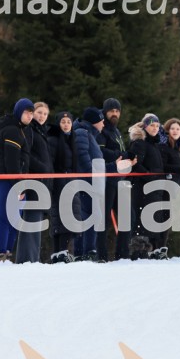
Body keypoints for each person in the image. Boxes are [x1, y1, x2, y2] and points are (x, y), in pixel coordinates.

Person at [73, 106, 135, 261]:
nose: (103, 124)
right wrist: (109, 167)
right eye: (101, 121)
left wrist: (114, 166)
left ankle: (88, 252)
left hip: (94, 182)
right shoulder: (82, 133)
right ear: (94, 122)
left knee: (93, 216)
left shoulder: (90, 135)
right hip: (86, 183)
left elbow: (97, 164)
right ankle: (85, 253)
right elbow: (84, 161)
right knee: (91, 217)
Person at [0, 98, 34, 263]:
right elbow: (11, 161)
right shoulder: (12, 131)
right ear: (18, 112)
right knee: (4, 216)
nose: (29, 116)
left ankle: (6, 255)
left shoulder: (20, 130)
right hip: (6, 180)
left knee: (14, 218)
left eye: (31, 113)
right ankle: (0, 255)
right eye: (26, 113)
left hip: (12, 179)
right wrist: (18, 186)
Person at [16, 102, 54, 263]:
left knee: (36, 222)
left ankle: (32, 259)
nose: (42, 116)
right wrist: (43, 168)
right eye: (39, 112)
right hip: (33, 181)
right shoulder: (30, 130)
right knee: (31, 220)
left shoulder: (42, 132)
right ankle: (27, 260)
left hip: (43, 182)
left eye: (45, 114)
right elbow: (26, 155)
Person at [96, 97, 130, 261]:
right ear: (105, 112)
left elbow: (121, 152)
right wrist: (120, 155)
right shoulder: (103, 130)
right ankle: (101, 255)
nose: (114, 114)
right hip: (107, 180)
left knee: (125, 218)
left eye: (117, 111)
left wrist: (128, 157)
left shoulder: (116, 131)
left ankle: (123, 254)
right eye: (111, 111)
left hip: (120, 180)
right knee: (103, 221)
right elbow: (100, 153)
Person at [128, 113, 166, 258]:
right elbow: (136, 165)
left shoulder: (154, 144)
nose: (155, 128)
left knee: (151, 221)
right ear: (145, 126)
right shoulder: (140, 143)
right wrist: (150, 177)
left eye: (157, 126)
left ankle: (147, 251)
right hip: (143, 189)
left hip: (154, 188)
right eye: (152, 125)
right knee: (141, 221)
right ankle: (138, 252)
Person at [47, 111, 81, 263]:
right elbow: (51, 163)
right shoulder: (53, 140)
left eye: (68, 121)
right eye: (63, 121)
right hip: (59, 182)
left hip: (71, 182)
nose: (66, 124)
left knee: (69, 219)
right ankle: (59, 252)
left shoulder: (72, 139)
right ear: (58, 124)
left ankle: (62, 251)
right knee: (61, 218)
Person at [157, 117, 180, 256]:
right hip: (165, 185)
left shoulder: (177, 147)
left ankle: (161, 247)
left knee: (168, 217)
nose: (175, 131)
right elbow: (163, 166)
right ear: (167, 130)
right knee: (164, 216)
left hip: (174, 185)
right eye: (172, 128)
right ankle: (159, 247)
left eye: (178, 129)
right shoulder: (164, 146)